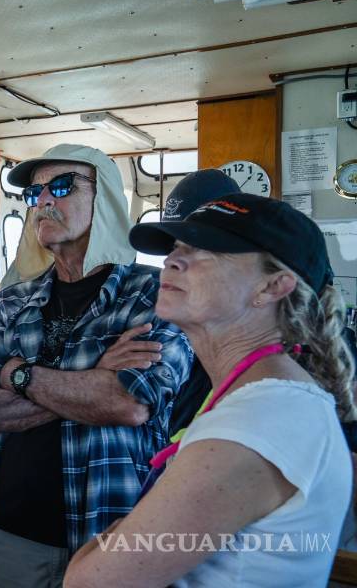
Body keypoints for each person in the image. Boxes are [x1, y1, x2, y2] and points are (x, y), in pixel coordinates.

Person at [65, 194, 355, 587]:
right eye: (177, 247)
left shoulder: (264, 416)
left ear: (272, 286)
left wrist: (115, 537)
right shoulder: (253, 395)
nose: (172, 260)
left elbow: (89, 582)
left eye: (206, 250)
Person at [0, 144, 192, 587]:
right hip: (11, 531)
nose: (43, 200)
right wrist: (94, 376)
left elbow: (131, 403)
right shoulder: (12, 302)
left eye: (62, 186)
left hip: (112, 528)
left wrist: (18, 374)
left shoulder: (153, 295)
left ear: (103, 199)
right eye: (35, 193)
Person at [155, 169, 241, 438]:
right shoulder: (169, 332)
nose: (171, 261)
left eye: (195, 246)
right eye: (173, 246)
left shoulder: (279, 366)